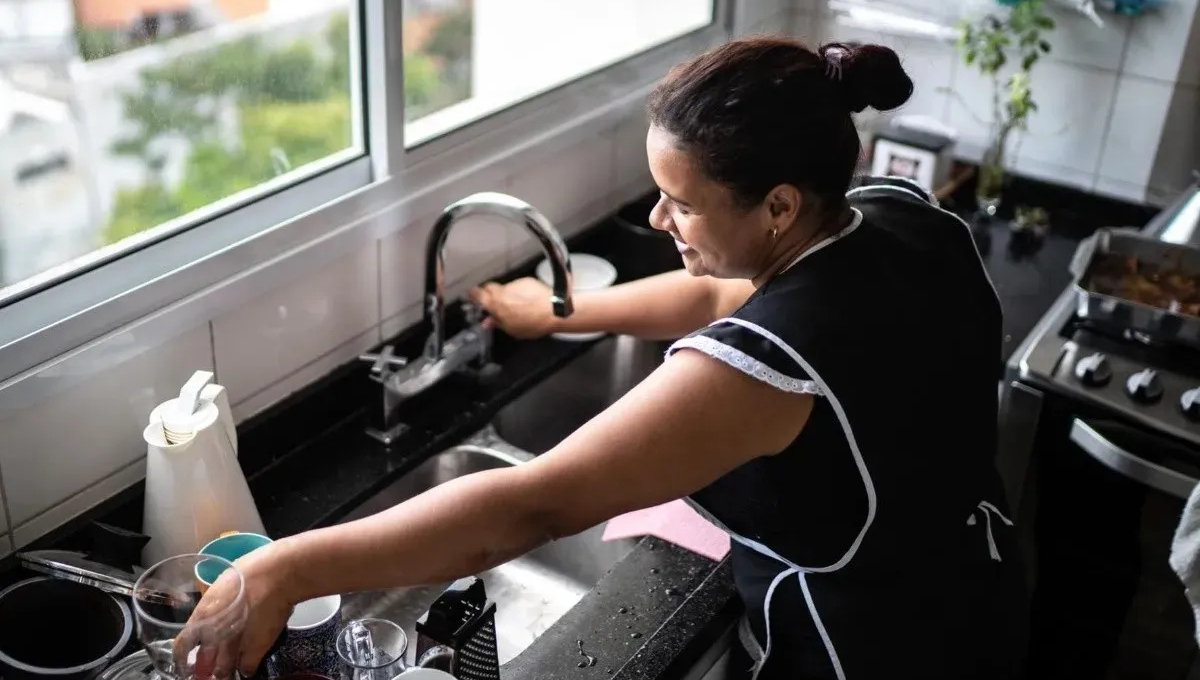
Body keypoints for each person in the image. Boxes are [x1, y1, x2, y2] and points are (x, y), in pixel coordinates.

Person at [189, 37, 1028, 679]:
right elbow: (711, 295)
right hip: (974, 589)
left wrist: (283, 569)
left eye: (683, 203)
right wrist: (554, 312)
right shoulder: (900, 217)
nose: (660, 221)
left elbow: (531, 509)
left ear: (778, 205)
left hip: (860, 647)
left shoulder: (759, 373)